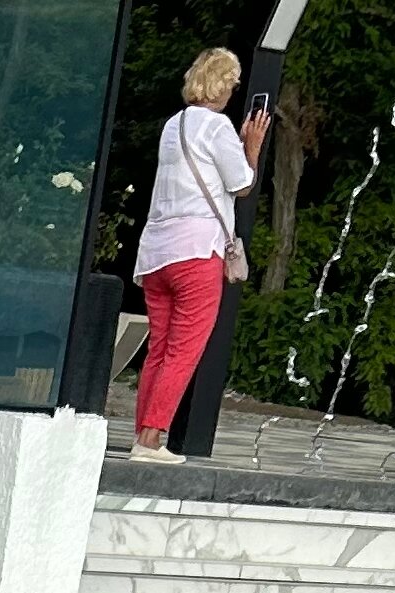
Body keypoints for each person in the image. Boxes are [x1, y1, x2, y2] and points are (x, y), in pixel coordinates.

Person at [131, 45, 265, 461]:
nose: (233, 92)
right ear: (223, 85)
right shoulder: (218, 126)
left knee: (159, 349)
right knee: (184, 349)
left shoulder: (174, 124)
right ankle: (151, 440)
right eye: (233, 84)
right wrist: (252, 147)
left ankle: (142, 436)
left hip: (156, 252)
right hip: (196, 251)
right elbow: (242, 184)